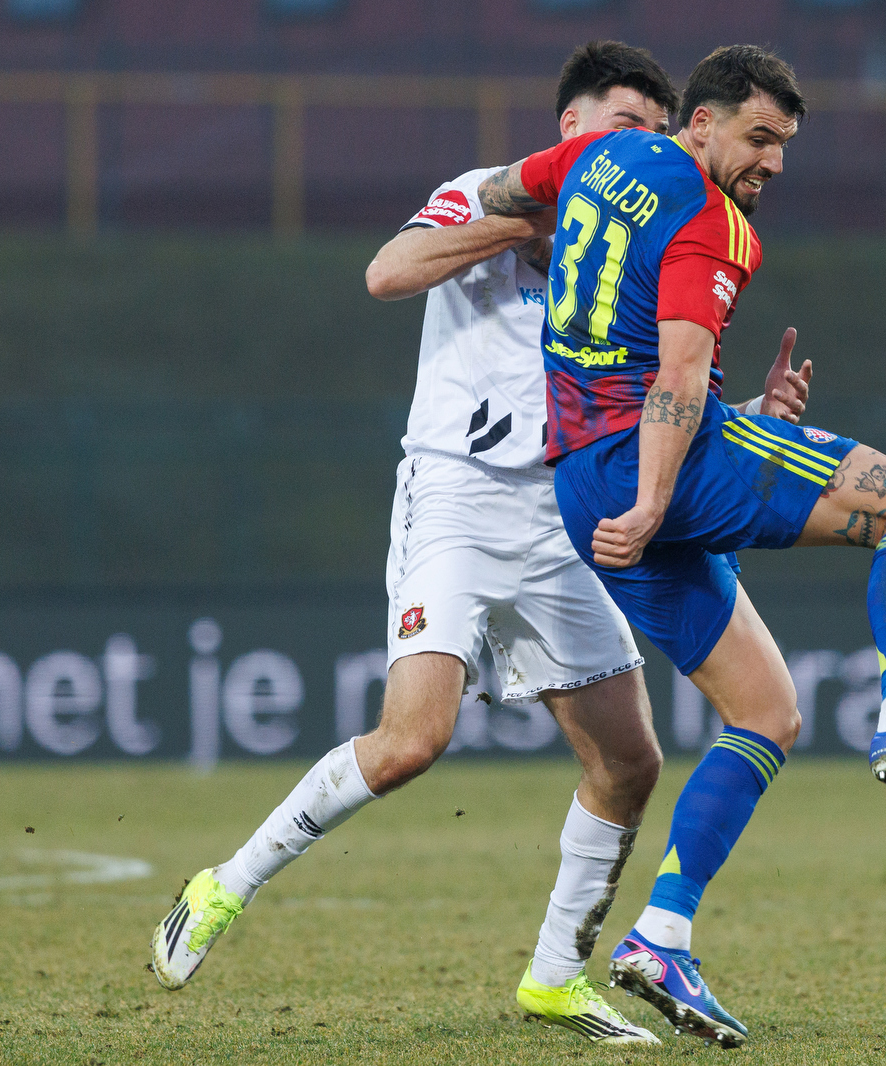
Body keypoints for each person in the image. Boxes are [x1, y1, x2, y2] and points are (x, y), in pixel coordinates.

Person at [150, 41, 812, 1048]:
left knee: (629, 762)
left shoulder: (662, 226)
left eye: (650, 129)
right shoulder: (487, 194)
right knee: (414, 739)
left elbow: (663, 393)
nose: (634, 146)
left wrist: (758, 410)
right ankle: (222, 886)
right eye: (618, 126)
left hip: (574, 512)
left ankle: (555, 978)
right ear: (570, 127)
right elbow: (386, 272)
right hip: (457, 497)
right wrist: (522, 222)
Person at [474, 44, 886, 1046]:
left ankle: (661, 934)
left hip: (578, 480)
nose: (771, 162)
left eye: (785, 146)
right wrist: (653, 500)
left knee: (767, 714)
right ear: (699, 124)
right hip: (655, 467)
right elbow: (675, 379)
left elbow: (508, 189)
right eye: (758, 138)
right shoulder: (712, 221)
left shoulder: (596, 154)